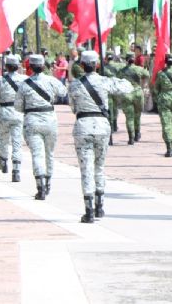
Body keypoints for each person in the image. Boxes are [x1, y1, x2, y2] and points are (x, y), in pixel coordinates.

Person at [67, 50, 132, 223]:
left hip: (83, 125)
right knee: (99, 166)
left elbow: (73, 108)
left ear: (81, 65)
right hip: (102, 126)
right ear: (96, 64)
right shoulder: (105, 81)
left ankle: (88, 210)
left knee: (86, 168)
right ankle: (100, 206)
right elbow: (127, 87)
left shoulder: (74, 85)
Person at [16, 54, 67, 200]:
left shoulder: (24, 85)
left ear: (30, 67)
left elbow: (18, 107)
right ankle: (49, 182)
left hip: (32, 120)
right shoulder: (52, 81)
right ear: (43, 66)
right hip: (50, 119)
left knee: (37, 154)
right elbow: (63, 92)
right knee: (49, 154)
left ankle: (40, 186)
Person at [0, 55, 28, 182]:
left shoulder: (0, 81)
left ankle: (3, 161)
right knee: (17, 142)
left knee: (3, 139)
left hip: (4, 112)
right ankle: (16, 169)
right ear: (18, 66)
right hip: (18, 113)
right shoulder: (24, 80)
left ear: (6, 66)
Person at [152, 53, 172, 157]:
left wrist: (157, 100)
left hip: (164, 99)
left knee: (166, 124)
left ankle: (169, 148)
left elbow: (156, 89)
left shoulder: (161, 73)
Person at [117, 52, 149, 145]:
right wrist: (142, 85)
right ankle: (137, 132)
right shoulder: (139, 69)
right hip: (138, 93)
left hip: (127, 94)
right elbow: (147, 75)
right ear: (134, 59)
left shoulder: (121, 71)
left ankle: (131, 137)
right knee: (137, 115)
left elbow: (118, 80)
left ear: (126, 60)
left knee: (129, 117)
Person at [102, 54, 124, 146]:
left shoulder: (103, 68)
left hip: (108, 91)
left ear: (107, 58)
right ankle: (115, 124)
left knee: (110, 110)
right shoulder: (118, 66)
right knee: (115, 108)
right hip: (116, 89)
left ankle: (111, 131)